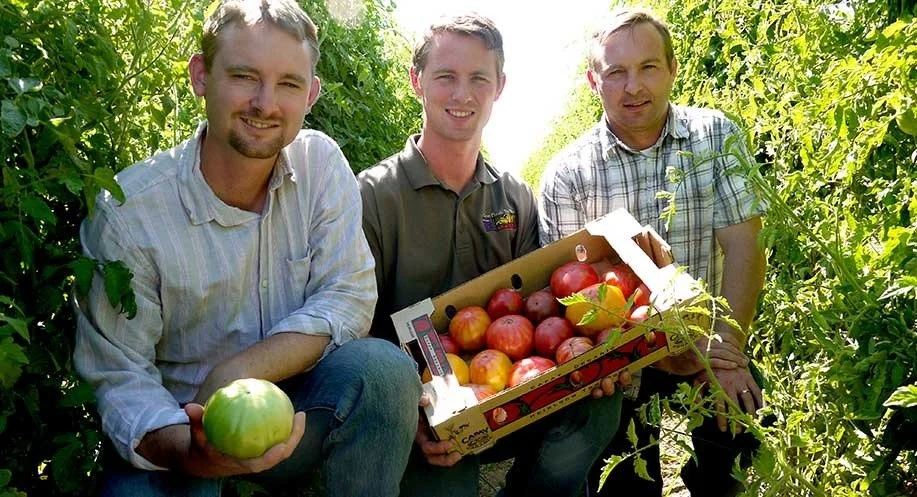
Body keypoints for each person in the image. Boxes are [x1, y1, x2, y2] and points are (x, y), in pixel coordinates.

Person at [73, 1, 421, 496]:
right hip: (177, 432)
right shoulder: (130, 215)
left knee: (385, 372)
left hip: (293, 411)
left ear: (310, 95)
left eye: (288, 84)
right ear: (200, 75)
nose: (265, 103)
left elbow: (348, 294)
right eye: (243, 76)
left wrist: (237, 372)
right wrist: (193, 450)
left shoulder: (319, 165)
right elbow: (120, 375)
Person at [358, 13, 626, 497]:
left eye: (478, 78)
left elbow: (537, 313)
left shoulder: (514, 200)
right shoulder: (374, 197)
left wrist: (584, 362)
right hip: (422, 412)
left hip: (508, 394)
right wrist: (407, 412)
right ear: (417, 81)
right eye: (446, 77)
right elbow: (359, 329)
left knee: (597, 407)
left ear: (499, 86)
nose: (463, 94)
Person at [537, 7, 767, 497]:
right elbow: (574, 299)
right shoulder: (568, 174)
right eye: (615, 72)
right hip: (622, 357)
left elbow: (744, 245)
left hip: (709, 336)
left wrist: (727, 351)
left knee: (737, 431)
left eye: (648, 68)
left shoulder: (715, 138)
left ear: (672, 69)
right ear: (592, 80)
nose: (633, 87)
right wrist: (656, 354)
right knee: (622, 479)